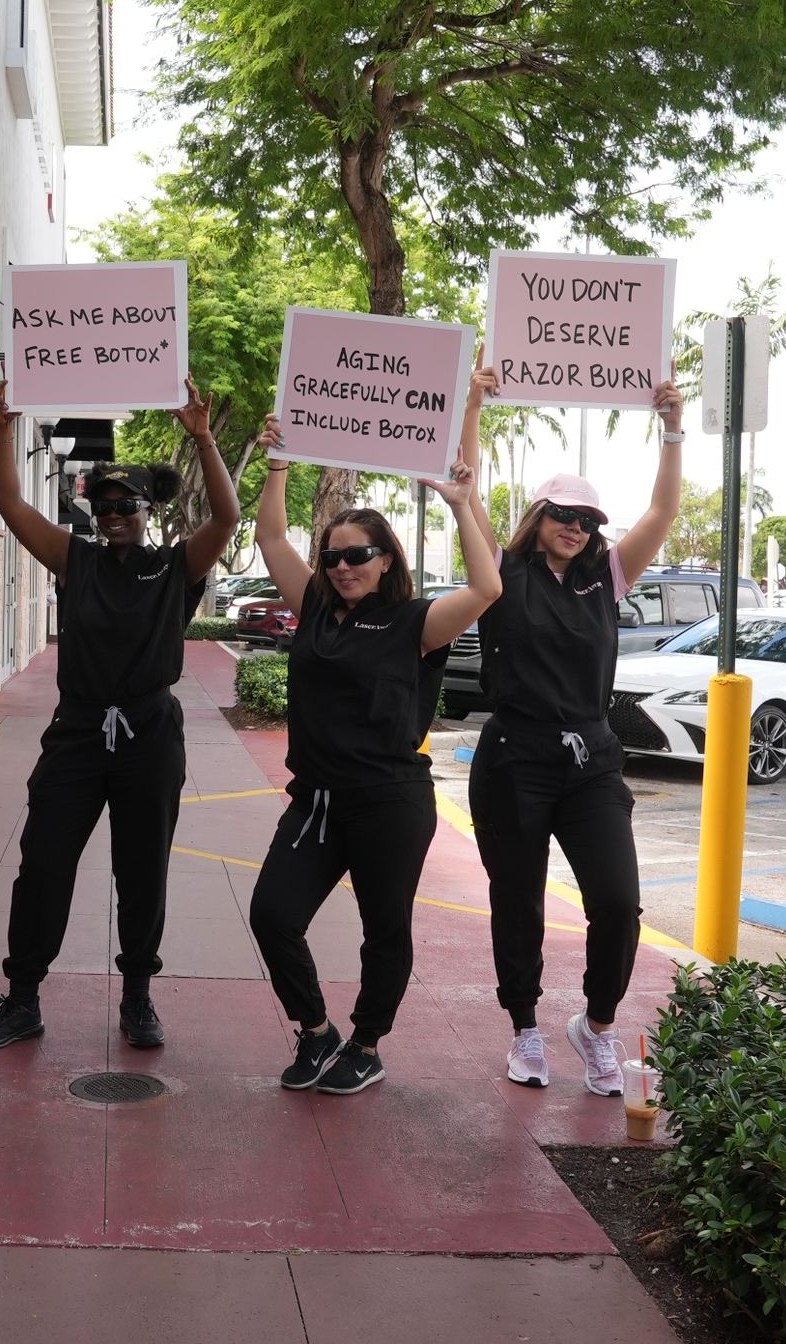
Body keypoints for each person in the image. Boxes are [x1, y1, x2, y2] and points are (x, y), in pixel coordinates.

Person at [0, 379, 239, 1051]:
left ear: (149, 510)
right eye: (104, 504)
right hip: (79, 732)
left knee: (142, 870)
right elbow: (6, 502)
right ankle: (23, 996)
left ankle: (138, 997)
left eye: (128, 505)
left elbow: (227, 519)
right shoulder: (74, 560)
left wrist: (203, 436)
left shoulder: (176, 568)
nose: (114, 515)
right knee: (44, 862)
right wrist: (4, 424)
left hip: (150, 733)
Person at [245, 419, 501, 1094]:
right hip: (319, 800)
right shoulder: (315, 610)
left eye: (357, 554)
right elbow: (271, 536)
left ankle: (365, 1042)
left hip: (390, 801)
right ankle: (316, 1031)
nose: (342, 567)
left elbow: (486, 590)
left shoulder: (414, 622)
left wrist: (459, 505)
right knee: (272, 914)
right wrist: (278, 464)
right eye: (332, 556)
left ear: (386, 558)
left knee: (383, 930)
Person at [457, 343, 685, 1096]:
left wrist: (673, 430)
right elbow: (463, 489)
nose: (578, 528)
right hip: (514, 760)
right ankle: (524, 1027)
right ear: (539, 516)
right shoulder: (502, 572)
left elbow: (661, 512)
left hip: (591, 761)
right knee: (516, 902)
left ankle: (596, 1024)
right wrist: (473, 405)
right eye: (564, 515)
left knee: (617, 902)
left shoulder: (603, 579)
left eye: (588, 520)